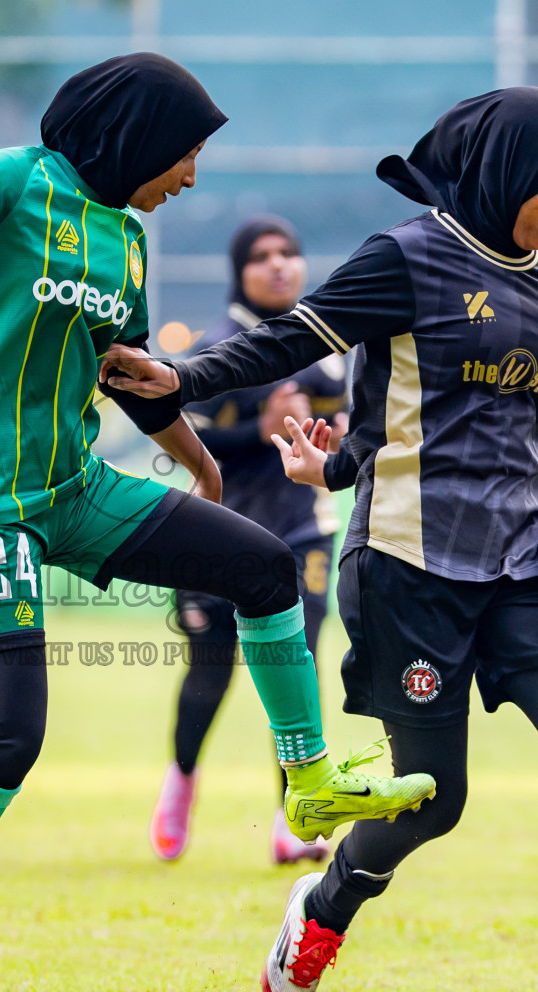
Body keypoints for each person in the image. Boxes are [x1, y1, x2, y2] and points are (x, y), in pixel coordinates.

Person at [0, 53, 434, 992]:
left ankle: (305, 785)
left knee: (259, 564)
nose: (192, 175)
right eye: (185, 153)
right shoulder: (16, 178)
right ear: (134, 137)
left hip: (74, 484)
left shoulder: (126, 242)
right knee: (10, 737)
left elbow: (127, 371)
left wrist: (196, 462)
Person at [103, 87, 538, 992]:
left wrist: (336, 462)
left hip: (525, 563)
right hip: (410, 566)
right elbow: (294, 339)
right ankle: (322, 911)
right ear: (510, 175)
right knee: (433, 797)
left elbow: (473, 422)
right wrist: (186, 376)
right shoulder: (408, 256)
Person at [150, 215, 349, 866]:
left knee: (296, 662)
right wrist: (260, 429)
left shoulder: (327, 350)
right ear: (241, 271)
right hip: (219, 534)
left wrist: (344, 436)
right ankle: (180, 784)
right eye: (262, 255)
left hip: (302, 532)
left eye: (289, 252)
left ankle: (295, 815)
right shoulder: (217, 349)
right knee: (211, 670)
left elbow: (352, 426)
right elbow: (185, 441)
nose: (278, 264)